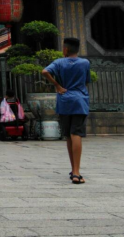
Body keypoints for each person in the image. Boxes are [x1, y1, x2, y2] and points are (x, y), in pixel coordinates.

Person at [42, 37, 92, 185]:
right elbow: (87, 80)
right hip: (79, 101)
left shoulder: (59, 62)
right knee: (76, 133)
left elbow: (44, 71)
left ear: (65, 49)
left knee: (69, 136)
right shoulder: (85, 63)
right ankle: (76, 172)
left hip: (64, 101)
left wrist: (57, 85)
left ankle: (73, 170)